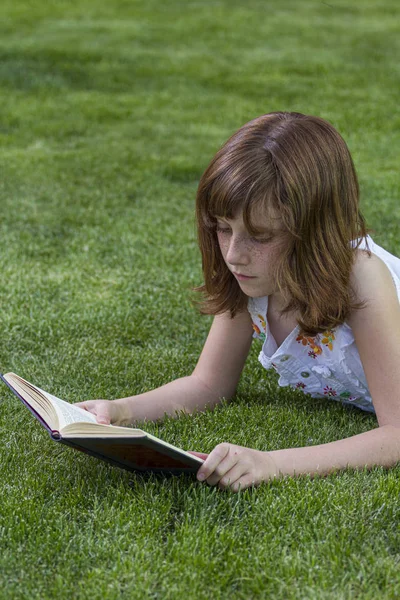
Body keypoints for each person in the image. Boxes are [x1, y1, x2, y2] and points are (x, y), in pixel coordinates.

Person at [77, 112, 400, 492]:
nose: (233, 254)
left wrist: (271, 463)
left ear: (315, 231)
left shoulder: (360, 277)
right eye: (222, 229)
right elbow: (209, 384)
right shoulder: (254, 280)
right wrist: (119, 410)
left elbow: (395, 433)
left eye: (260, 237)